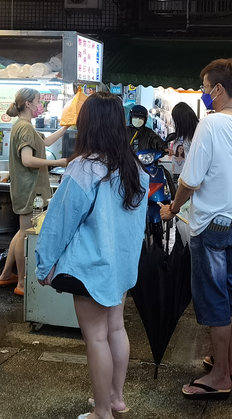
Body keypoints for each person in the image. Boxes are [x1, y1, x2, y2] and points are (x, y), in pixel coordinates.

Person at [34, 92, 148, 419]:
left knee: (96, 338)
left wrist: (44, 263)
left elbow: (60, 223)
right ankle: (115, 398)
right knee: (115, 330)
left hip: (90, 268)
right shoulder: (134, 167)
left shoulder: (83, 167)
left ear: (88, 124)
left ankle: (102, 413)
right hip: (121, 267)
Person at [160, 58, 232, 400]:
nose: (203, 94)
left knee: (215, 300)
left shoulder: (211, 125)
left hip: (211, 225)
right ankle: (228, 364)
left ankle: (219, 376)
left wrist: (173, 207)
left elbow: (190, 178)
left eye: (204, 88)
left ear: (217, 89)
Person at [0, 88, 67, 297]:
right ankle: (22, 282)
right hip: (29, 190)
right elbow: (28, 160)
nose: (40, 106)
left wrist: (66, 126)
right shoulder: (25, 128)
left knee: (21, 233)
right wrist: (58, 162)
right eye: (37, 101)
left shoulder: (23, 126)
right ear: (27, 104)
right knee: (26, 236)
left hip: (26, 188)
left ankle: (6, 273)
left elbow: (45, 142)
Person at [169, 102, 198, 178]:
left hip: (193, 175)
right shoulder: (183, 133)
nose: (175, 123)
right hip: (185, 173)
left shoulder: (198, 132)